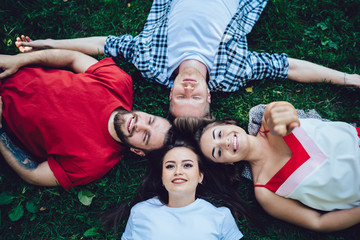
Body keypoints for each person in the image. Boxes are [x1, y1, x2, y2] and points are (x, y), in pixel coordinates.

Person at [15, 0, 360, 119]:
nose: (190, 88)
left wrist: (48, 42)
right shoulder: (233, 72)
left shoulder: (150, 63)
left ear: (170, 93)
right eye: (196, 97)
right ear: (210, 95)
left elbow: (105, 43)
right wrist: (350, 79)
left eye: (182, 96)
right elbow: (291, 67)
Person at [0, 49, 172, 190]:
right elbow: (71, 58)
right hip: (8, 69)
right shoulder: (118, 82)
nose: (139, 124)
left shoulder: (92, 164)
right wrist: (18, 60)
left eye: (145, 136)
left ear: (137, 151)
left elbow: (34, 174)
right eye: (150, 120)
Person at [178, 101, 360, 232]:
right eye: (217, 152)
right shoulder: (265, 192)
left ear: (228, 124)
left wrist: (283, 117)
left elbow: (283, 110)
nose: (224, 142)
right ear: (227, 163)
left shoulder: (267, 117)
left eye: (219, 133)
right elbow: (318, 222)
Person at [101, 139, 249, 239]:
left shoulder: (221, 216)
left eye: (187, 165)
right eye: (170, 166)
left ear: (200, 176)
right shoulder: (140, 212)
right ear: (162, 178)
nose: (178, 171)